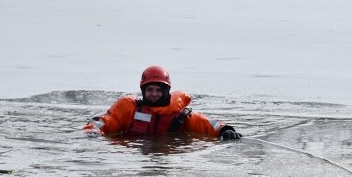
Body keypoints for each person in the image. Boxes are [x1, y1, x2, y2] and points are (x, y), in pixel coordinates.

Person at [83, 66, 241, 140]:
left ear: (166, 91)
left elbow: (205, 123)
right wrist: (92, 131)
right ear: (143, 90)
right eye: (150, 89)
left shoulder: (179, 114)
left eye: (158, 90)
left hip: (166, 155)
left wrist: (224, 130)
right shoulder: (129, 108)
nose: (154, 94)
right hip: (136, 157)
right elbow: (106, 121)